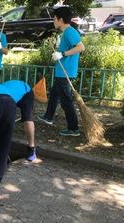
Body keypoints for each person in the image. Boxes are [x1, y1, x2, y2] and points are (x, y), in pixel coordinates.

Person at [38, 6, 85, 137]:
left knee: (66, 101)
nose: (53, 20)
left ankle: (73, 128)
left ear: (61, 19)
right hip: (62, 71)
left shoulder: (70, 32)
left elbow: (81, 47)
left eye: (55, 18)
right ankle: (48, 117)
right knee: (54, 93)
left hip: (66, 72)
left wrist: (62, 53)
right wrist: (59, 50)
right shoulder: (66, 32)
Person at [2, 80, 37, 161]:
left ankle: (31, 149)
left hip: (26, 92)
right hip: (12, 91)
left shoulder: (2, 100)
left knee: (27, 119)